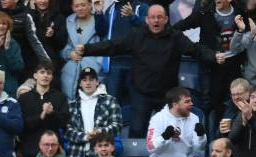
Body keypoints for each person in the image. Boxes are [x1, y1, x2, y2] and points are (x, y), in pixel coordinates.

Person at [77, 4, 223, 139]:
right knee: (137, 130)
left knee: (168, 132)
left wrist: (213, 55)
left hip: (166, 94)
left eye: (159, 17)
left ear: (166, 19)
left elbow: (195, 49)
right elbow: (112, 46)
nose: (156, 20)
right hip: (141, 93)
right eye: (152, 17)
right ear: (147, 20)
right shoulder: (136, 35)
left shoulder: (175, 36)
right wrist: (86, 49)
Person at [173, 0, 244, 121]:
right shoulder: (204, 13)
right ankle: (209, 135)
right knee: (210, 103)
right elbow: (176, 29)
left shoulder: (240, 12)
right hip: (211, 66)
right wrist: (202, 51)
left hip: (234, 64)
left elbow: (247, 33)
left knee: (233, 102)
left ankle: (227, 135)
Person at [64, 66, 123, 157]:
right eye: (84, 80)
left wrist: (99, 133)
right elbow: (67, 131)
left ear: (97, 82)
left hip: (100, 156)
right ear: (80, 83)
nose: (88, 82)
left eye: (91, 79)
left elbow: (117, 126)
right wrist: (85, 136)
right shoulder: (72, 104)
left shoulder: (110, 101)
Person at [146, 87, 207, 157]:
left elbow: (199, 147)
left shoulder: (194, 118)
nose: (191, 104)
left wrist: (201, 136)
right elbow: (150, 147)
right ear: (175, 105)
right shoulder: (158, 118)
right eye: (187, 102)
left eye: (191, 100)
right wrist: (164, 137)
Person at [94, 0, 149, 104]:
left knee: (136, 104)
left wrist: (132, 16)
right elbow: (101, 32)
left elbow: (149, 27)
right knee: (113, 103)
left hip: (136, 64)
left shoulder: (142, 7)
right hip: (114, 63)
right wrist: (99, 14)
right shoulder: (111, 9)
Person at [17, 61, 69, 157]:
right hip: (31, 151)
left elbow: (64, 122)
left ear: (52, 77)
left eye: (49, 73)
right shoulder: (24, 98)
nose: (45, 76)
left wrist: (52, 113)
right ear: (35, 75)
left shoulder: (60, 97)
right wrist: (40, 117)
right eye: (42, 72)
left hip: (53, 151)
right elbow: (21, 125)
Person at [60, 0, 104, 99]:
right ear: (72, 7)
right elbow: (65, 46)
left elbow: (107, 45)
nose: (80, 8)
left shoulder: (99, 20)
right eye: (77, 6)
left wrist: (99, 65)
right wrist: (69, 54)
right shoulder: (69, 21)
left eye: (83, 5)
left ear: (89, 5)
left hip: (93, 68)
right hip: (71, 70)